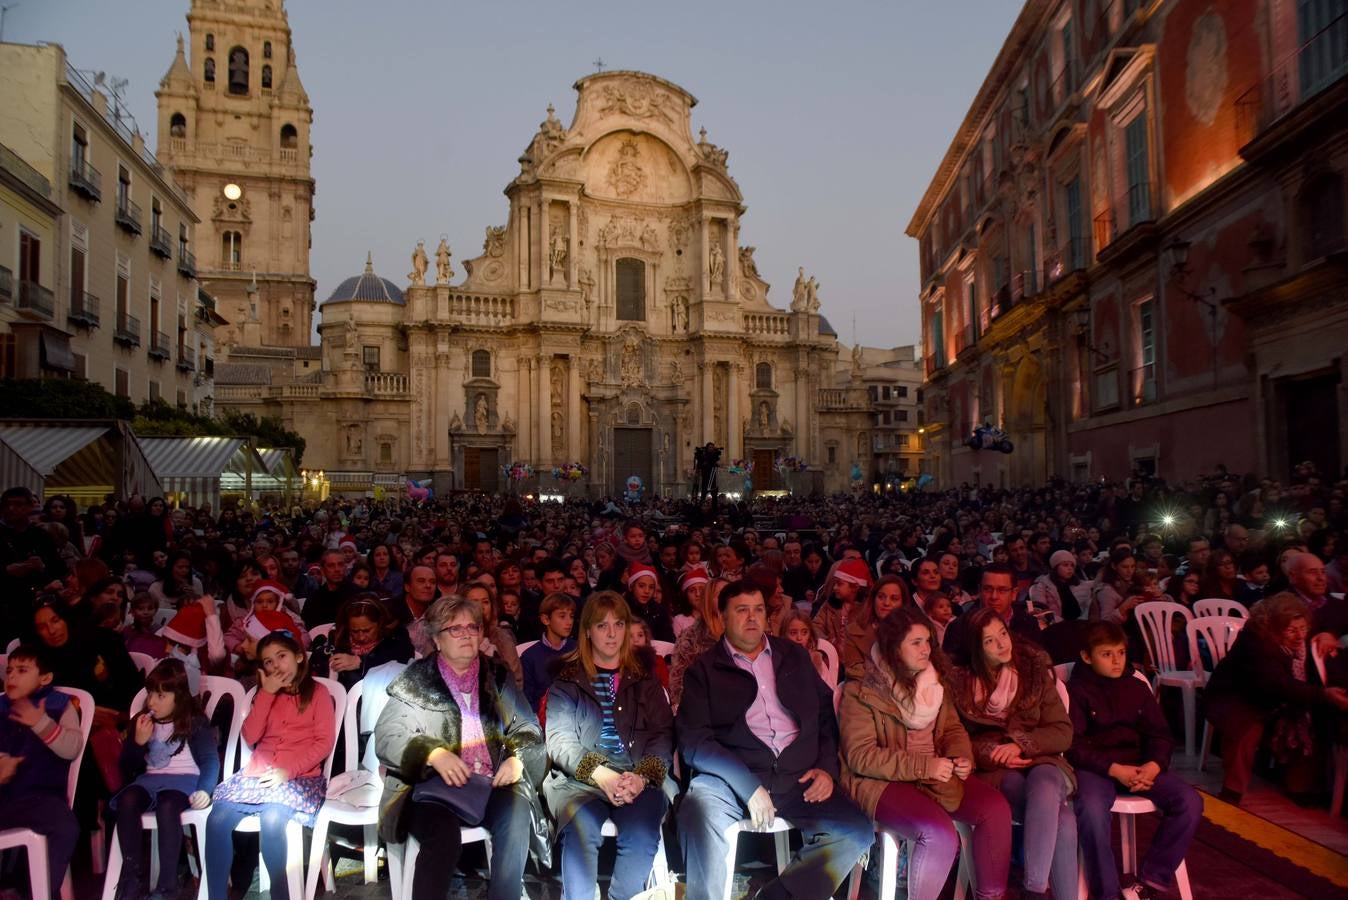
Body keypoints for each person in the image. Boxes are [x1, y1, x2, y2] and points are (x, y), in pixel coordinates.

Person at [676, 579, 872, 900]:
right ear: (722, 616)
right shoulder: (705, 670)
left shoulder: (793, 656)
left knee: (854, 832)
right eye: (742, 611)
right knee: (699, 810)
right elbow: (694, 741)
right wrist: (747, 785)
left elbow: (825, 715)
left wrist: (825, 768)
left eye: (759, 610)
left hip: (799, 776)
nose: (752, 618)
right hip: (733, 779)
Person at [374, 596, 544, 900]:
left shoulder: (497, 675)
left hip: (489, 782)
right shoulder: (418, 680)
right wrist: (432, 753)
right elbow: (388, 734)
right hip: (432, 788)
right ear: (437, 639)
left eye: (472, 627)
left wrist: (518, 759)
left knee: (518, 814)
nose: (467, 634)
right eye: (455, 629)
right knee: (442, 836)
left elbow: (528, 727)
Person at [839, 608, 1011, 900]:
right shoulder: (862, 689)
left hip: (936, 774)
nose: (926, 649)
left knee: (995, 809)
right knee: (939, 835)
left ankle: (990, 897)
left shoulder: (934, 682)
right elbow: (861, 756)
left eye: (928, 641)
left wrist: (960, 757)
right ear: (894, 648)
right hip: (880, 782)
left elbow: (953, 729)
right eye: (915, 642)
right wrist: (925, 767)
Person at [543, 592, 673, 900]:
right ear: (587, 630)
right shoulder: (567, 681)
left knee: (641, 834)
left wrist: (642, 777)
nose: (612, 633)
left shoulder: (645, 678)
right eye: (602, 626)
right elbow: (561, 742)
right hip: (581, 782)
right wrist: (601, 775)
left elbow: (663, 734)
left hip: (638, 777)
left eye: (619, 624)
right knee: (580, 830)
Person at [1068, 622, 1203, 900]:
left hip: (1140, 765)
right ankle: (1107, 893)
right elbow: (1073, 746)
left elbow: (1161, 735)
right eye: (1107, 654)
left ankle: (1152, 879)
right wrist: (1115, 770)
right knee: (1091, 811)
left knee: (1190, 801)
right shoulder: (1077, 690)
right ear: (1086, 656)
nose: (1117, 661)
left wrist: (1154, 765)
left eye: (1121, 652)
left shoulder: (1137, 686)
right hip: (1098, 768)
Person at [950, 607, 1078, 900]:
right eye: (989, 641)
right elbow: (956, 738)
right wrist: (991, 751)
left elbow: (1062, 732)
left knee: (1046, 783)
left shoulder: (1033, 671)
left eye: (1003, 634)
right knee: (1064, 819)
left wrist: (1020, 743)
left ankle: (1033, 892)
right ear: (975, 649)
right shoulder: (961, 684)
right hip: (999, 769)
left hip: (1041, 758)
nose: (1002, 644)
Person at [205, 632, 336, 900]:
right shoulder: (263, 694)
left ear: (299, 657)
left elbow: (323, 743)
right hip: (257, 775)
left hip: (297, 777)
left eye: (282, 657)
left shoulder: (318, 693)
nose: (276, 666)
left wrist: (287, 772)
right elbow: (250, 736)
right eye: (268, 662)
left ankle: (281, 895)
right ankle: (215, 895)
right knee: (216, 820)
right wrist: (266, 694)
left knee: (273, 819)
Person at [1203, 592, 1348, 804]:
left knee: (1311, 719)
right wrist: (1323, 694)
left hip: (1274, 697)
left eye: (1303, 629)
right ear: (1274, 628)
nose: (1300, 636)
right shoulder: (1256, 641)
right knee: (1246, 728)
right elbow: (1277, 685)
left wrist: (1328, 633)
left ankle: (1301, 786)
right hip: (1235, 697)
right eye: (1291, 631)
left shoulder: (1299, 632)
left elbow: (1335, 619)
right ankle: (1231, 793)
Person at [112, 658, 219, 900]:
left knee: (168, 805)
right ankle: (132, 876)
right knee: (127, 800)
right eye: (150, 693)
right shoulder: (141, 722)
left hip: (184, 781)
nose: (151, 701)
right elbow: (127, 766)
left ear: (179, 697)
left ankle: (166, 886)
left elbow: (210, 761)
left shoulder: (195, 722)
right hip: (150, 781)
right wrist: (137, 742)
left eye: (161, 695)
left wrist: (205, 790)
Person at [0, 646, 83, 900]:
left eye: (22, 671)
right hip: (4, 797)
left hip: (40, 798)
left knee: (66, 827)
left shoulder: (59, 706)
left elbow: (72, 749)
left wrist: (40, 723)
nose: (12, 677)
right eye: (9, 671)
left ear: (45, 678)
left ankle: (40, 891)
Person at [942, 564, 1043, 666]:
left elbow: (1038, 664)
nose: (994, 596)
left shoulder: (1028, 623)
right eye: (988, 589)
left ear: (1014, 594)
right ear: (979, 590)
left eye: (1002, 590)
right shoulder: (959, 627)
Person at [309, 594, 414, 691]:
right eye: (354, 631)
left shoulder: (394, 637)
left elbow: (405, 660)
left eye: (367, 630)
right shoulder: (338, 638)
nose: (361, 637)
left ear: (380, 623)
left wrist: (361, 662)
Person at [668, 577, 726, 712]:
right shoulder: (690, 638)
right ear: (708, 600)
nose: (728, 598)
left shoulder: (742, 635)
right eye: (722, 594)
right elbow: (678, 680)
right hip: (702, 708)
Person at [841, 575, 910, 679]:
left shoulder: (914, 631)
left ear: (903, 604)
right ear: (873, 600)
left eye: (894, 599)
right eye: (881, 597)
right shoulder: (854, 631)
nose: (886, 603)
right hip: (864, 689)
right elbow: (853, 672)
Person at [521, 592, 577, 711]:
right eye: (562, 616)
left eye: (571, 616)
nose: (569, 622)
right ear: (546, 619)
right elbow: (528, 700)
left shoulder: (578, 650)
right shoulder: (529, 656)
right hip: (543, 719)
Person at [464, 581, 524, 691]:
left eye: (485, 602)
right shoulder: (453, 638)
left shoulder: (502, 638)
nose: (480, 607)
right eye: (474, 602)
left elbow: (516, 680)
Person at [812, 557, 871, 651]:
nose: (834, 587)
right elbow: (815, 627)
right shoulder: (829, 605)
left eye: (839, 584)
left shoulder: (866, 609)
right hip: (831, 656)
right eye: (835, 583)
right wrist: (830, 644)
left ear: (855, 587)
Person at [624, 563, 674, 642]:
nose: (647, 591)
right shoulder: (622, 608)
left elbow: (669, 640)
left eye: (651, 587)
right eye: (641, 586)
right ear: (631, 586)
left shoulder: (660, 611)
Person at [779, 608, 830, 683]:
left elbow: (827, 690)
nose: (799, 638)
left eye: (804, 632)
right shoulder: (778, 659)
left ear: (810, 635)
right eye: (793, 633)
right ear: (784, 635)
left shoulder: (815, 659)